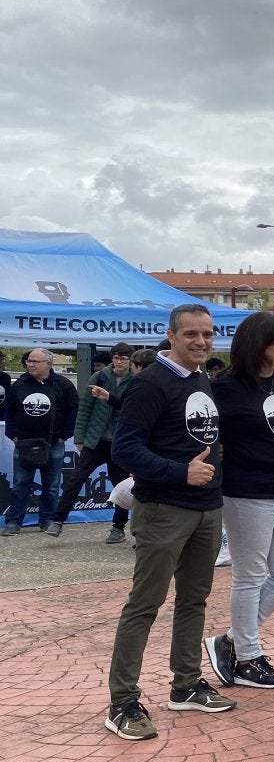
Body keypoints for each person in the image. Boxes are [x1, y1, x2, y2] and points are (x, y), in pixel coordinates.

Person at [104, 304, 235, 739]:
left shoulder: (200, 379)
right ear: (172, 336)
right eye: (192, 334)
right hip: (164, 509)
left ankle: (186, 685)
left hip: (206, 508)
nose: (201, 341)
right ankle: (122, 702)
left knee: (193, 601)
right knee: (145, 604)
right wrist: (180, 471)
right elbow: (124, 449)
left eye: (208, 334)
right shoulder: (149, 384)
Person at [204, 312, 274, 690]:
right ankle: (247, 656)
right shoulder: (225, 388)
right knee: (249, 576)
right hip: (248, 493)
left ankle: (229, 639)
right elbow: (209, 439)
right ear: (257, 345)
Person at [52, 342, 135, 542]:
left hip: (119, 442)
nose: (119, 361)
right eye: (116, 357)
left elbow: (133, 408)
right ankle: (57, 520)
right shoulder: (100, 376)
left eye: (124, 357)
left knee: (120, 487)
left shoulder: (136, 380)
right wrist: (79, 437)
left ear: (130, 360)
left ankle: (118, 527)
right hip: (96, 439)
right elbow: (85, 409)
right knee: (76, 479)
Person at [3, 349, 78, 536]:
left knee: (51, 485)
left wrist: (64, 435)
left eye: (35, 361)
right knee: (20, 484)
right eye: (29, 361)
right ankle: (13, 522)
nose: (30, 364)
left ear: (48, 364)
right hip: (24, 444)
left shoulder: (63, 384)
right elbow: (9, 412)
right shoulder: (19, 384)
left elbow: (73, 411)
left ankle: (48, 520)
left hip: (54, 444)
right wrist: (13, 434)